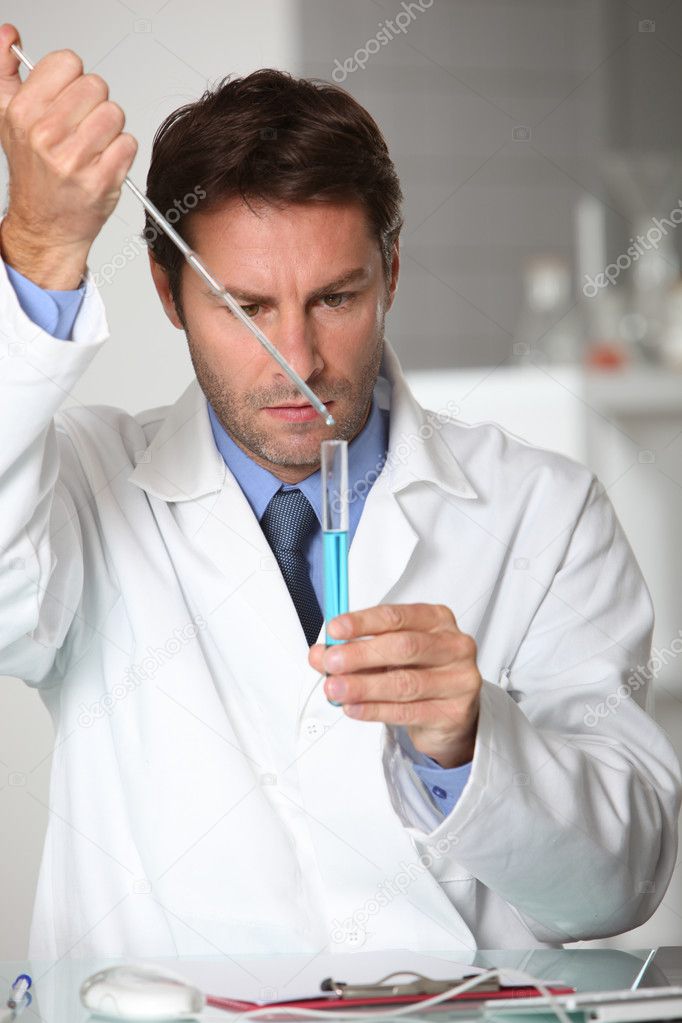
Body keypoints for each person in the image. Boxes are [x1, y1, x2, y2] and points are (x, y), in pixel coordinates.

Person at [0, 21, 679, 960]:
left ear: (391, 274)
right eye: (246, 308)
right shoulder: (78, 488)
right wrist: (38, 243)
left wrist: (473, 744)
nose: (298, 361)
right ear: (168, 292)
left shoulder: (545, 515)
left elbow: (621, 882)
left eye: (335, 297)